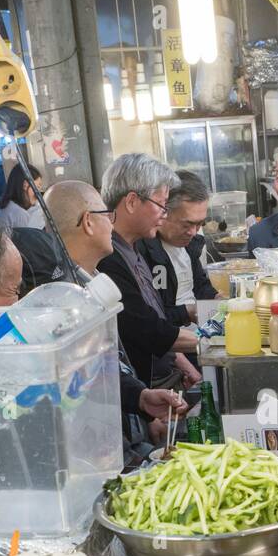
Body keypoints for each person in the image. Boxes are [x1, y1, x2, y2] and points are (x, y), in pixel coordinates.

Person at [45, 179, 190, 456]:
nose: (111, 224)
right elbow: (84, 381)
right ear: (88, 222)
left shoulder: (93, 279)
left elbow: (107, 365)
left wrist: (141, 400)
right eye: (106, 215)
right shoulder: (63, 299)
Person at [96, 153, 200, 389]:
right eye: (161, 204)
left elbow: (154, 314)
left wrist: (179, 360)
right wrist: (213, 342)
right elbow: (144, 329)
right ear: (132, 201)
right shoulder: (109, 258)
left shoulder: (134, 248)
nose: (164, 214)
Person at [139, 170, 219, 317]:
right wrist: (188, 312)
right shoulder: (143, 252)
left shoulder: (190, 244)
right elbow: (151, 315)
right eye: (186, 225)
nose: (193, 232)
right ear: (163, 212)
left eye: (199, 224)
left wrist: (216, 298)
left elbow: (200, 284)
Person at [0, 162, 45, 230]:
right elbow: (29, 239)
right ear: (25, 185)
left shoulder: (8, 207)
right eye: (38, 187)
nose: (39, 193)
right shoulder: (18, 214)